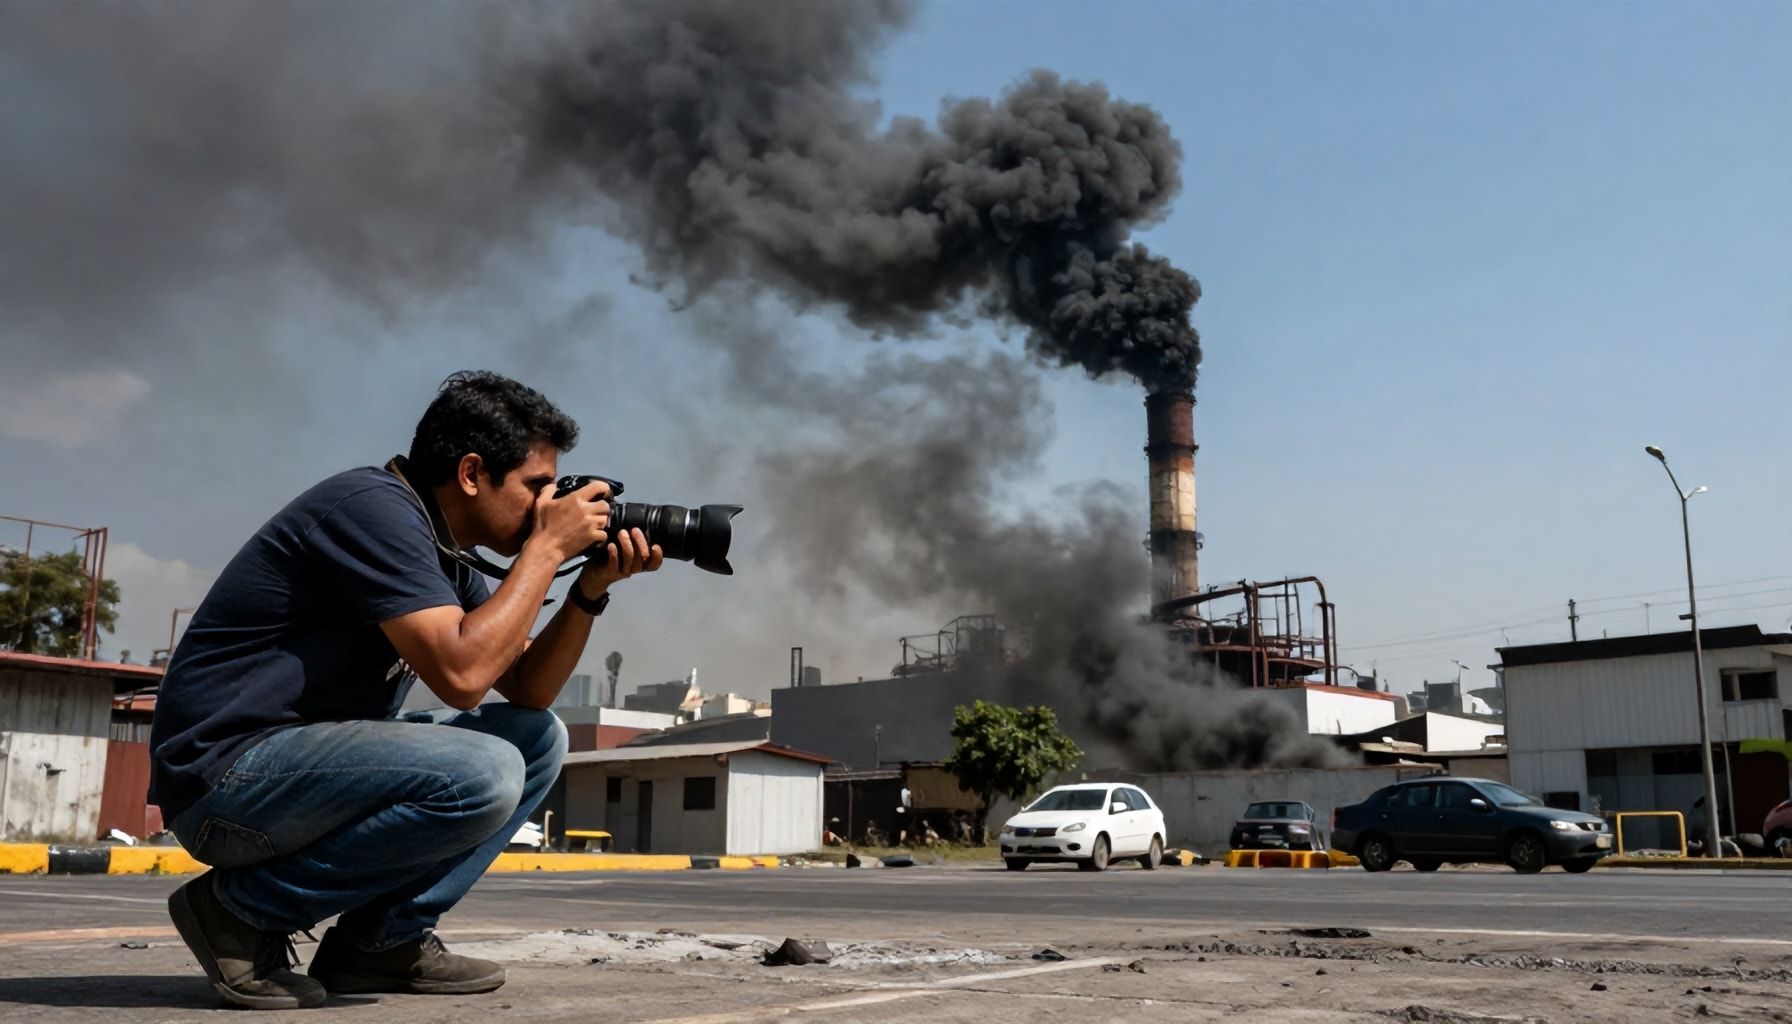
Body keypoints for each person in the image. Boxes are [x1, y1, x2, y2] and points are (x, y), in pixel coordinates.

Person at [148, 371, 662, 1010]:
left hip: (296, 772)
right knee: (484, 771)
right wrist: (548, 550)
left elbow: (529, 689)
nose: (546, 506)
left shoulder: (443, 549)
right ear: (471, 473)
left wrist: (588, 592)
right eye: (536, 486)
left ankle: (380, 942)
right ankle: (238, 913)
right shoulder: (374, 510)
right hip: (226, 780)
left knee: (536, 739)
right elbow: (463, 678)